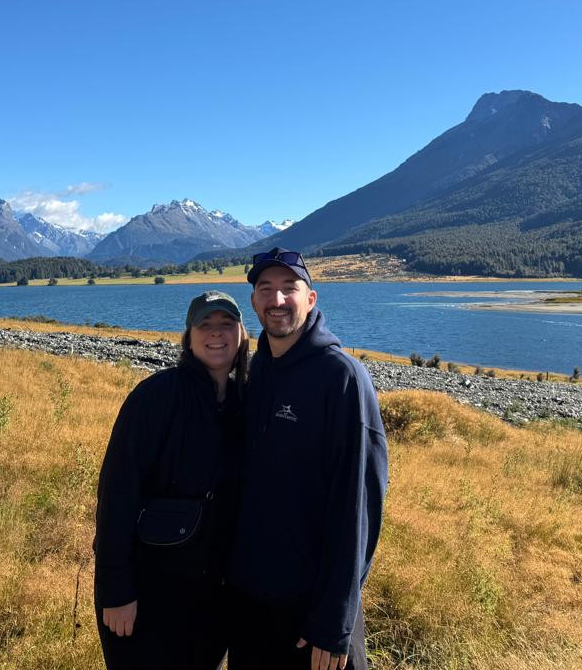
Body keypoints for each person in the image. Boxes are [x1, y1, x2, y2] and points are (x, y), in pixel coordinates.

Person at [228, 248, 388, 670]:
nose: (277, 300)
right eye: (266, 289)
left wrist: (334, 621)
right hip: (252, 605)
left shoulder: (342, 378)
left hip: (314, 617)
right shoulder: (257, 370)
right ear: (254, 303)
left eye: (288, 289)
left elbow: (359, 507)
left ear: (311, 299)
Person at [92, 290, 247, 670]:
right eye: (205, 325)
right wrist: (116, 591)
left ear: (242, 335)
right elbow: (117, 494)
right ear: (188, 337)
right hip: (148, 593)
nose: (216, 334)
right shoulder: (156, 397)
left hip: (212, 599)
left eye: (226, 325)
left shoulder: (247, 402)